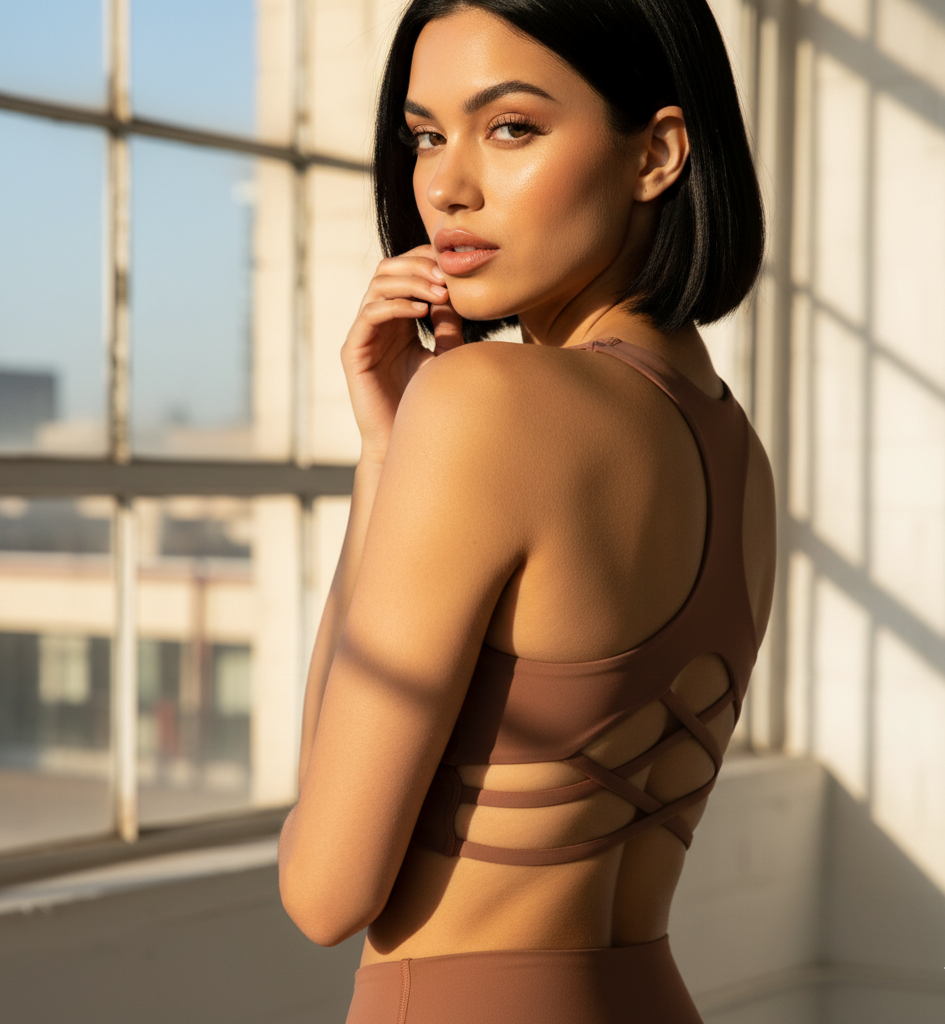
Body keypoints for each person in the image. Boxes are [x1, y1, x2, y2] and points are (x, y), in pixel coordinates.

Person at [278, 0, 776, 1020]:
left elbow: (324, 890)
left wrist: (393, 447)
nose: (446, 186)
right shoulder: (734, 448)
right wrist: (393, 441)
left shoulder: (487, 403)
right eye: (425, 135)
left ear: (659, 154)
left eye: (511, 128)